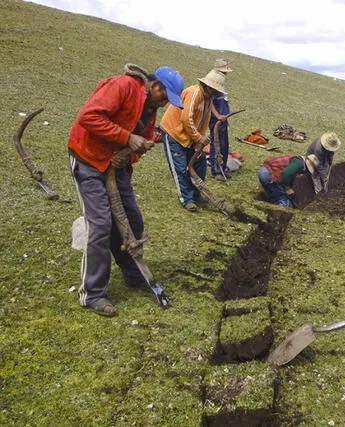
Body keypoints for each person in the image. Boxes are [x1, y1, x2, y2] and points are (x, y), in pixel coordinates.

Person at [68, 64, 184, 316]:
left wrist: (131, 153)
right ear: (155, 86)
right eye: (165, 97)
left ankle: (133, 274)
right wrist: (127, 138)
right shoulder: (122, 86)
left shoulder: (150, 108)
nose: (165, 103)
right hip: (88, 158)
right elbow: (88, 116)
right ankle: (92, 293)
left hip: (115, 166)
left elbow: (140, 141)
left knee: (132, 218)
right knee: (100, 224)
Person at [160, 68, 225, 212]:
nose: (214, 91)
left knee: (200, 162)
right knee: (180, 167)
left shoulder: (209, 99)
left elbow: (205, 120)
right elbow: (186, 118)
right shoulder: (195, 93)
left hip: (190, 136)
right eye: (213, 88)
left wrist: (199, 142)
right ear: (207, 85)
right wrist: (198, 138)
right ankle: (186, 199)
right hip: (174, 132)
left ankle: (196, 194)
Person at [208, 59, 233, 181]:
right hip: (216, 121)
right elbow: (209, 102)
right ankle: (216, 170)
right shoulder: (213, 83)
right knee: (216, 144)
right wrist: (217, 115)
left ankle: (222, 168)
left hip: (223, 120)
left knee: (224, 145)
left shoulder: (220, 83)